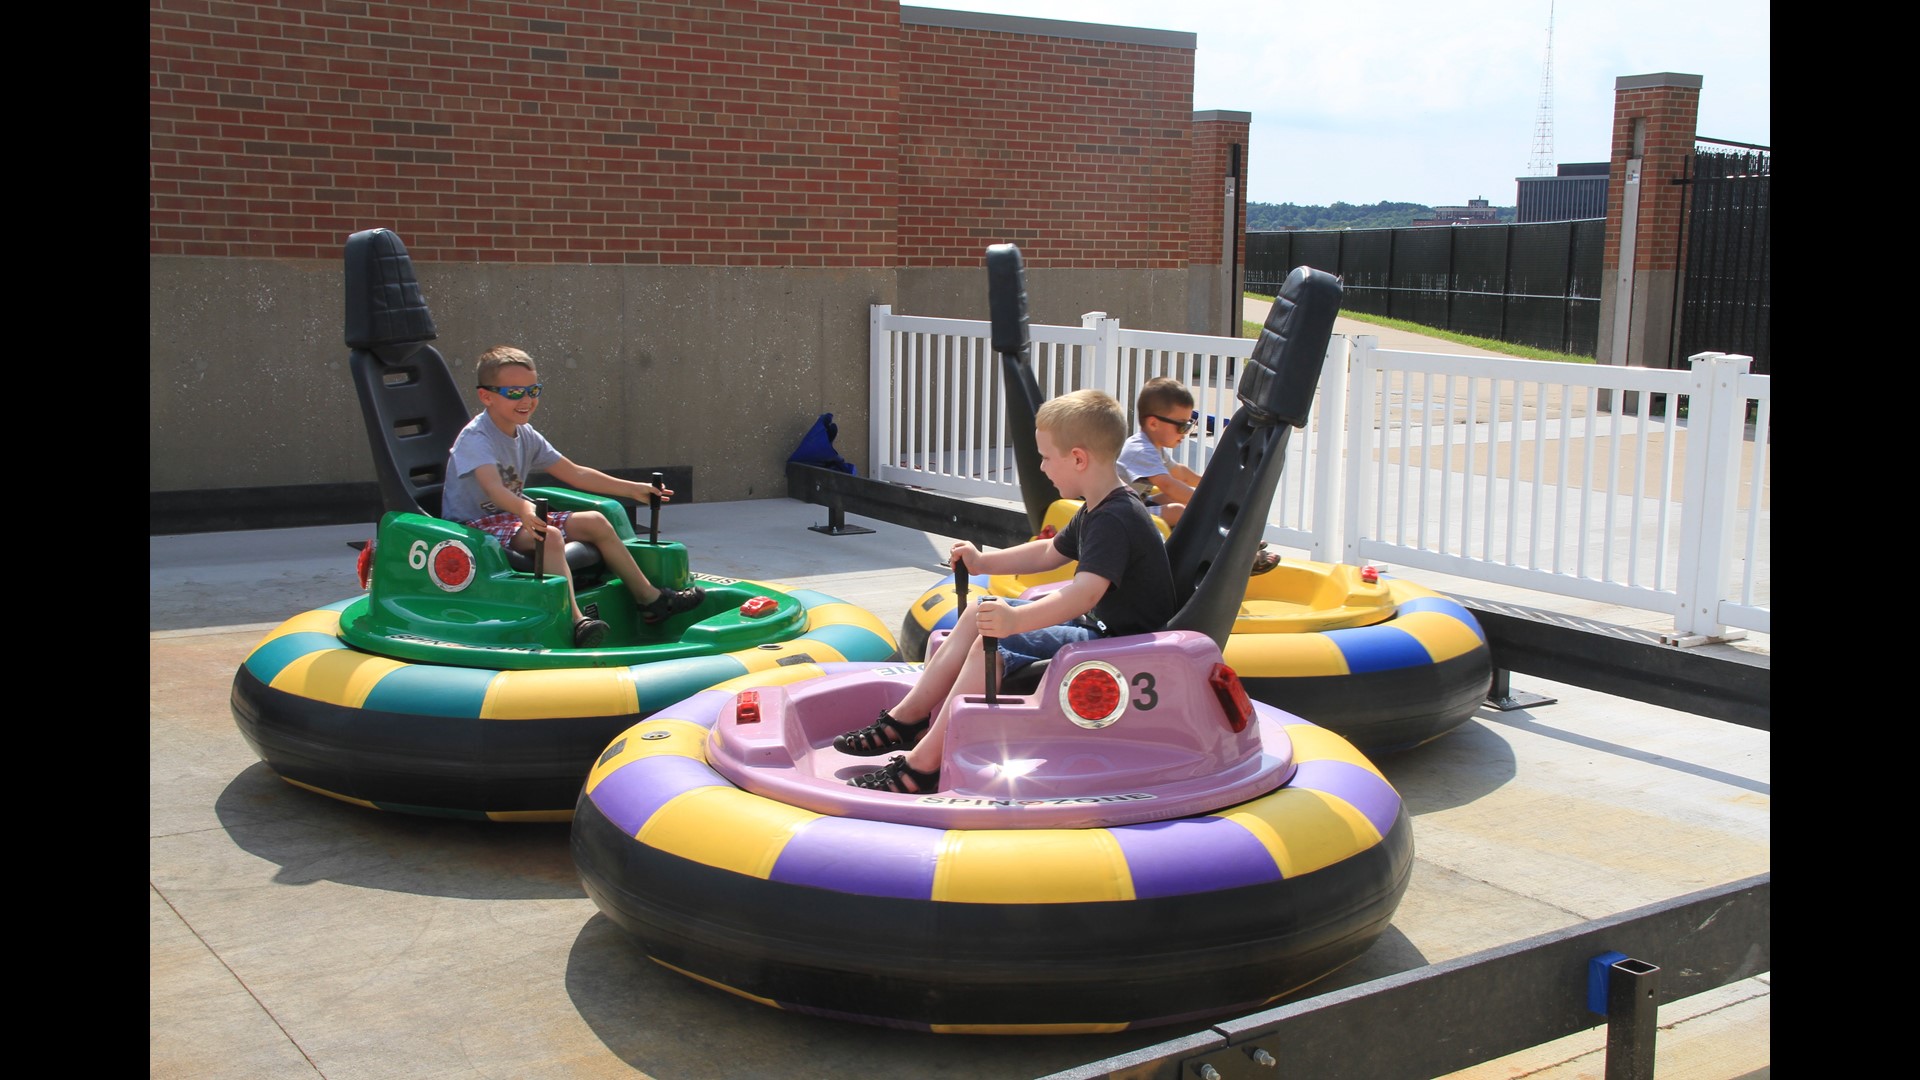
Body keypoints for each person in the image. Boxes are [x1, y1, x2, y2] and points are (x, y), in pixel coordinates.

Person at [837, 389, 1176, 793]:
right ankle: (904, 720)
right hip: (1101, 628)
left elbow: (1083, 594)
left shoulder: (1114, 518)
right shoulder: (1098, 508)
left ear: (1079, 458)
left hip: (1120, 644)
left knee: (989, 642)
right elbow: (1050, 551)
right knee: (977, 612)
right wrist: (984, 563)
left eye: (1047, 457)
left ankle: (923, 765)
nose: (1043, 467)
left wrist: (1015, 620)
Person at [439, 345, 704, 647]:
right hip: (475, 526)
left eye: (533, 390)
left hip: (513, 516)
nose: (527, 400)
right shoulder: (476, 438)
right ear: (486, 396)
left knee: (596, 521)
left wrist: (632, 489)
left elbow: (575, 473)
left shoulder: (525, 435)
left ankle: (651, 600)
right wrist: (525, 511)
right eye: (514, 393)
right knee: (550, 536)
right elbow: (494, 490)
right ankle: (577, 620)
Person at [1117, 376, 1204, 527]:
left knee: (1177, 500)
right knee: (1177, 510)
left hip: (1134, 504)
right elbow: (1168, 485)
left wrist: (1208, 484)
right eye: (1181, 425)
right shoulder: (1141, 450)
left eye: (1189, 425)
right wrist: (1209, 502)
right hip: (1116, 513)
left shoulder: (1154, 447)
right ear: (1153, 423)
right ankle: (1223, 543)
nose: (1185, 432)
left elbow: (1181, 474)